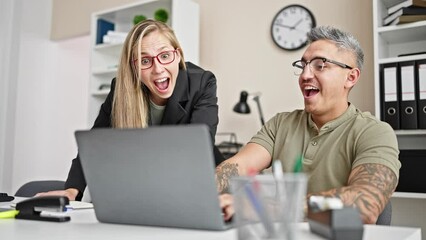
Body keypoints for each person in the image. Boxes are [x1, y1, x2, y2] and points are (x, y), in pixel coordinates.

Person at [216, 26, 401, 224]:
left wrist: (265, 207)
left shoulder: (374, 132)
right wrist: (200, 192)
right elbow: (237, 167)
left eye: (320, 65)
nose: (305, 75)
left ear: (351, 77)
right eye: (302, 65)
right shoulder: (281, 124)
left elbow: (365, 203)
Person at [37, 19, 223, 201]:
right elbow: (94, 146)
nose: (158, 69)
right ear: (133, 67)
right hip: (144, 191)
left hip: (198, 187)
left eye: (165, 56)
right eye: (144, 61)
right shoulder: (121, 89)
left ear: (178, 55)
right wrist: (71, 190)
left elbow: (199, 147)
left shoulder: (202, 82)